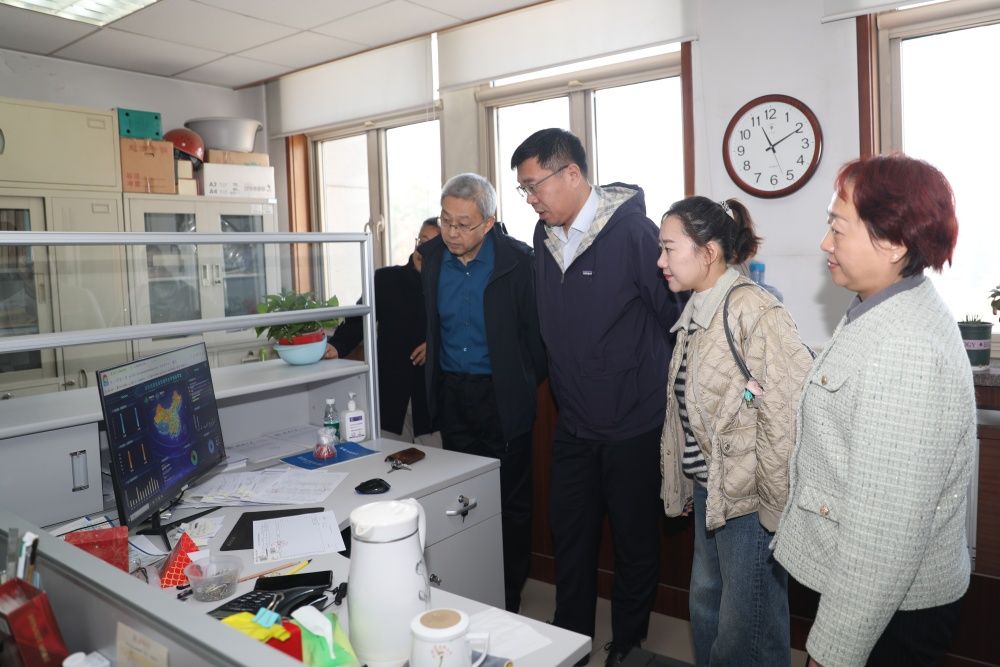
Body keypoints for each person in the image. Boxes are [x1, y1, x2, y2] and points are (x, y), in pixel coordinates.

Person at [772, 154, 976, 667]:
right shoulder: (884, 306)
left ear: (893, 243)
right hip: (873, 596)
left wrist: (831, 653)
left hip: (890, 610)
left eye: (838, 229)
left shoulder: (906, 347)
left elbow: (884, 536)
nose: (825, 243)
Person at [510, 128, 682, 665]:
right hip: (573, 425)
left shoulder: (634, 234)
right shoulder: (544, 236)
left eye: (534, 186)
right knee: (571, 540)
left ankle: (626, 646)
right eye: (523, 189)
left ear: (572, 174)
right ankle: (571, 643)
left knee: (635, 544)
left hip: (634, 424)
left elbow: (674, 318)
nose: (530, 199)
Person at [657, 196, 813, 666]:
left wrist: (774, 511)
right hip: (712, 491)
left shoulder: (754, 310)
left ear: (708, 252)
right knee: (708, 605)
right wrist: (685, 481)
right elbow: (691, 412)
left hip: (749, 501)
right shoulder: (697, 309)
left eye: (669, 248)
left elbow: (785, 414)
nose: (660, 261)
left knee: (747, 628)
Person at [420, 172, 546, 613]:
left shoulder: (518, 262)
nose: (452, 233)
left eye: (463, 224)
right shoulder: (431, 258)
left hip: (502, 397)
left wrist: (519, 381)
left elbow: (536, 340)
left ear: (489, 222)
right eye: (446, 220)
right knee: (460, 500)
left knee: (510, 503)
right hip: (454, 395)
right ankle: (469, 588)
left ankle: (508, 594)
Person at [325, 218, 442, 446]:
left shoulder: (450, 285)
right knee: (390, 458)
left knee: (439, 461)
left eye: (433, 245)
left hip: (433, 398)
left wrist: (436, 344)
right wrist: (336, 346)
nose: (423, 250)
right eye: (422, 241)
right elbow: (358, 321)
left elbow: (461, 328)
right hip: (391, 393)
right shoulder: (386, 279)